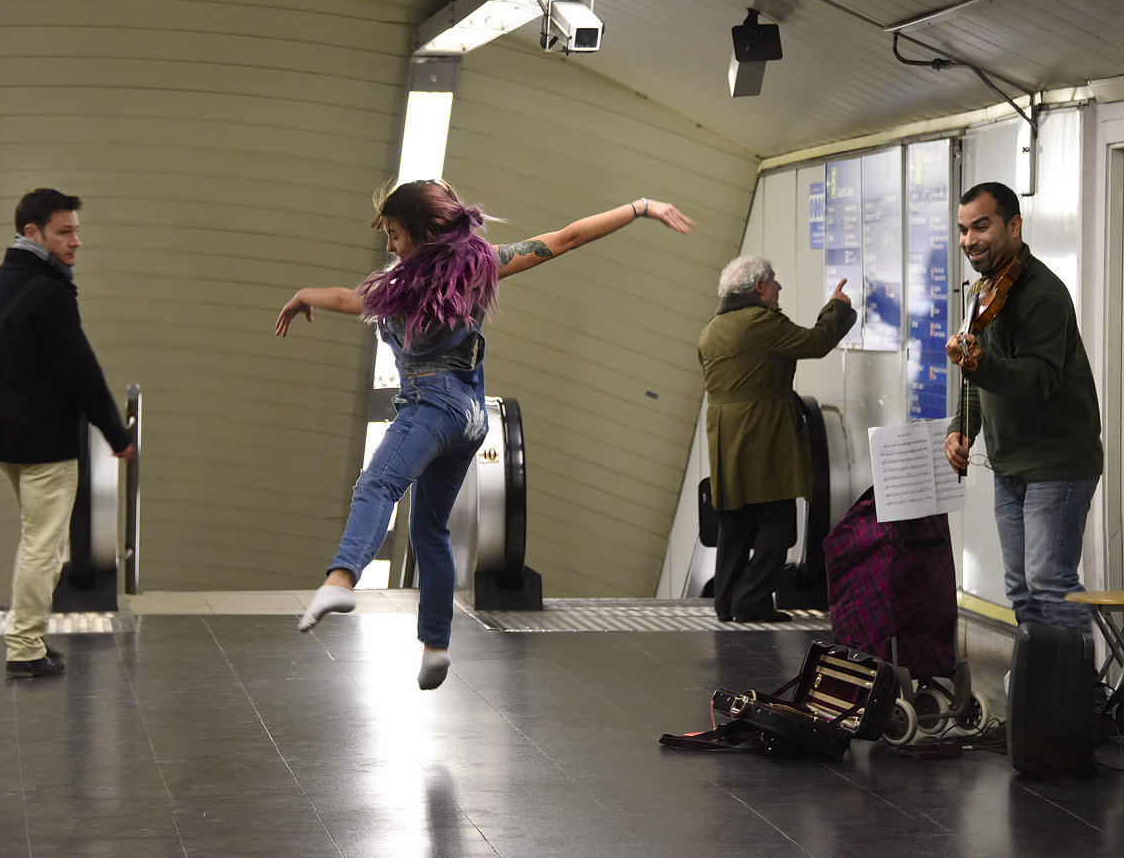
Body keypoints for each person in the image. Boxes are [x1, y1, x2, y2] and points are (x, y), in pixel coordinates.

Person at [277, 180, 693, 689]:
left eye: (394, 234)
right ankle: (435, 647)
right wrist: (640, 207)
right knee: (429, 530)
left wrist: (302, 296)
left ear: (425, 231)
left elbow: (350, 298)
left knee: (377, 485)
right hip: (470, 418)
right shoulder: (478, 267)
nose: (389, 245)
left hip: (429, 408)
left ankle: (341, 579)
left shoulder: (399, 287)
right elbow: (564, 239)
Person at [0, 189, 135, 679]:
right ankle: (24, 645)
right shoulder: (50, 291)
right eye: (64, 232)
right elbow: (83, 372)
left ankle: (28, 639)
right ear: (31, 233)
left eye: (76, 229)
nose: (77, 241)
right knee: (42, 544)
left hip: (5, 441)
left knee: (43, 540)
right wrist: (118, 435)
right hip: (46, 443)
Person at [944, 182, 1102, 631]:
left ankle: (1077, 699)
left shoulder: (1042, 294)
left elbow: (1039, 379)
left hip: (1056, 464)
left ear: (1013, 226)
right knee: (1021, 590)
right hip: (1010, 465)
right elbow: (976, 375)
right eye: (962, 230)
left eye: (981, 226)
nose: (969, 240)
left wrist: (979, 361)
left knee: (1050, 583)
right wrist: (962, 427)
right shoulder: (983, 291)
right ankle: (1041, 696)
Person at [699, 256, 853, 623]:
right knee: (777, 522)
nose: (779, 287)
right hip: (762, 433)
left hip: (724, 437)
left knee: (734, 522)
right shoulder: (761, 323)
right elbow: (815, 342)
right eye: (774, 282)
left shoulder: (712, 329)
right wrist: (837, 308)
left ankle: (726, 601)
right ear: (758, 288)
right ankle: (751, 600)